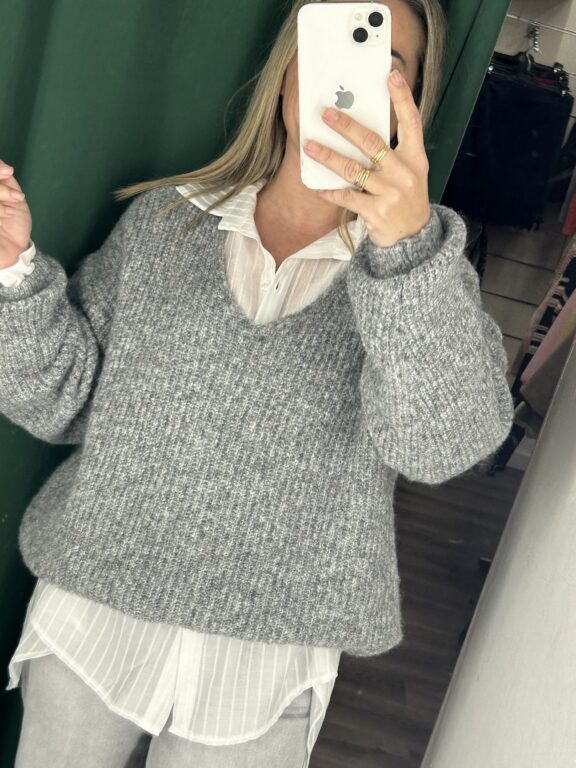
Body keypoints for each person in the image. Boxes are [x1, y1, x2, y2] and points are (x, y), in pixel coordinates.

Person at [0, 0, 513, 766]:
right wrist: (12, 269)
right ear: (286, 72)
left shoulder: (425, 272)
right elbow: (62, 398)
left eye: (384, 64)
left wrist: (404, 248)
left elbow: (438, 447)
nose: (346, 80)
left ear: (411, 102)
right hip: (91, 607)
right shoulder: (165, 223)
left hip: (268, 660)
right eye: (329, 49)